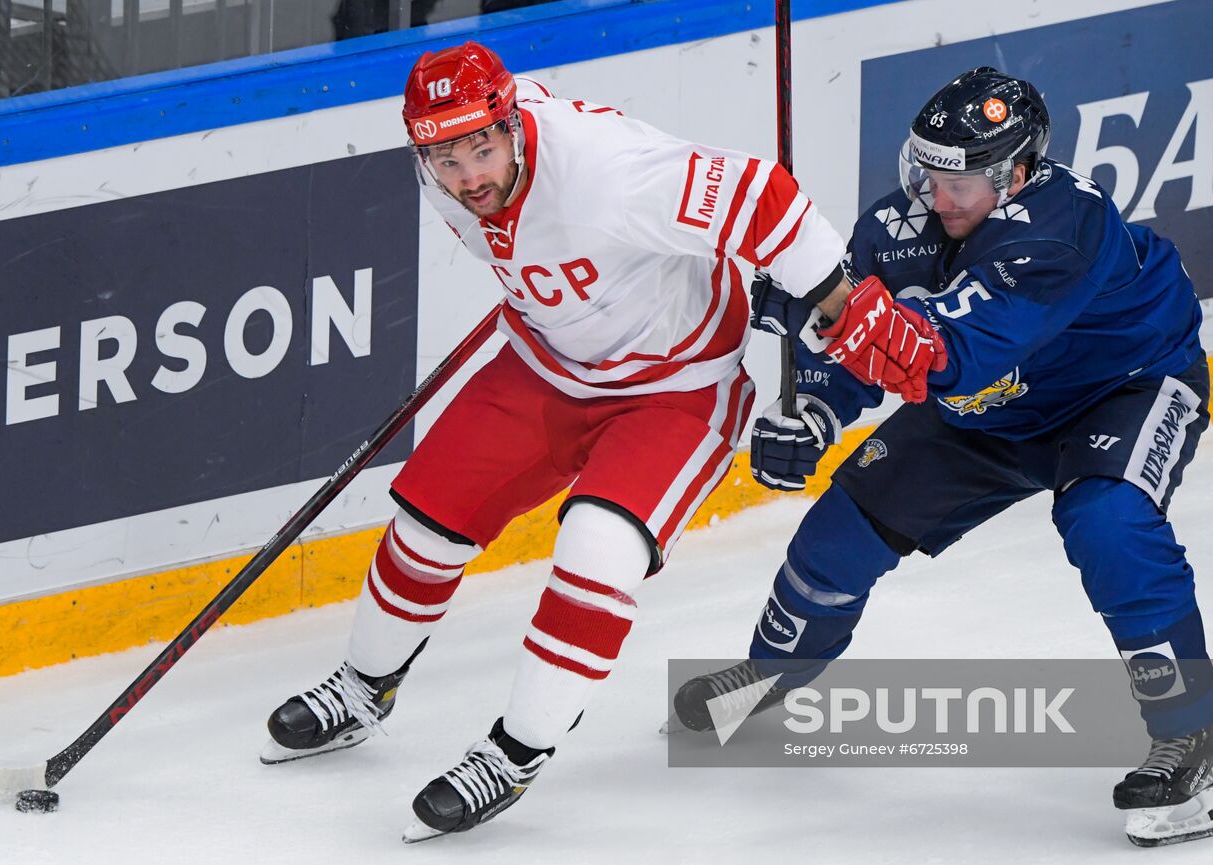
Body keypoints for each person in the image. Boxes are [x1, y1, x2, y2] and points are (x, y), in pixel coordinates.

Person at [259, 41, 870, 842]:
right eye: (446, 157)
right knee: (425, 521)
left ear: (513, 124)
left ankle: (514, 753)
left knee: (596, 550)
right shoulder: (446, 173)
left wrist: (836, 300)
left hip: (675, 389)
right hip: (546, 364)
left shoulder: (604, 171)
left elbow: (762, 198)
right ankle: (363, 687)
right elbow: (518, 236)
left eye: (483, 147)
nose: (470, 175)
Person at [669, 67, 1213, 848]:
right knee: (840, 531)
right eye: (928, 171)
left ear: (1016, 173)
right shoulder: (906, 220)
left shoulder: (1061, 227)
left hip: (1124, 385)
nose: (937, 196)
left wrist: (820, 304)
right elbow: (863, 334)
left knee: (1106, 519)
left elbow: (943, 353)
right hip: (989, 412)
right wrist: (814, 407)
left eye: (958, 180)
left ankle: (1193, 739)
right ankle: (777, 668)